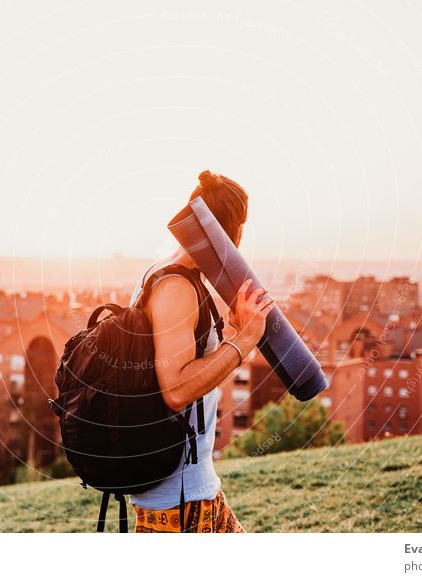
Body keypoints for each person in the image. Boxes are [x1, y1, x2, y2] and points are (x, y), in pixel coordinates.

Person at [128, 170, 275, 533]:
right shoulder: (176, 287)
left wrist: (236, 330)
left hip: (191, 490)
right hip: (181, 500)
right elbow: (175, 390)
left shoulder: (161, 274)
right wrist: (244, 341)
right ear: (234, 229)